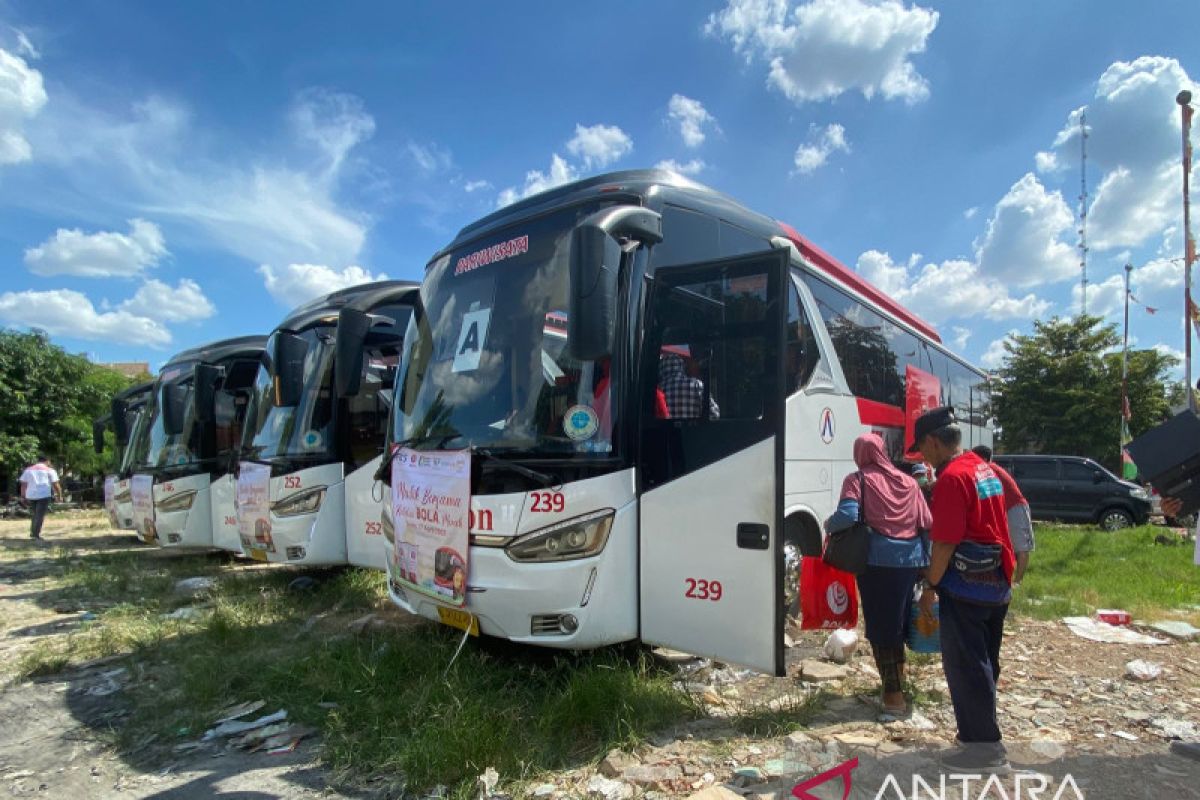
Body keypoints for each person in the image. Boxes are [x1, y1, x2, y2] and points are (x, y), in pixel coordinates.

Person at [910, 407, 1014, 772]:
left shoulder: (953, 478)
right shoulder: (984, 469)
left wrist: (930, 585)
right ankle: (980, 735)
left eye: (922, 448)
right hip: (997, 583)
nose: (922, 456)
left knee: (967, 666)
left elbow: (944, 543)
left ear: (934, 441)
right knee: (984, 663)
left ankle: (984, 750)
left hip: (967, 588)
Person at [825, 433, 932, 715]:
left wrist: (828, 524)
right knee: (896, 623)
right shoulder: (909, 481)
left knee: (882, 629)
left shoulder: (857, 479)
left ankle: (893, 697)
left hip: (877, 563)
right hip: (910, 561)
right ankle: (897, 683)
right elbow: (926, 523)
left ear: (860, 453)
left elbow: (847, 516)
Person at [973, 445, 1035, 585]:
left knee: (1021, 546)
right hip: (1004, 509)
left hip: (1015, 507)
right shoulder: (987, 469)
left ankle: (1018, 582)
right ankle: (1009, 578)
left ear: (982, 458)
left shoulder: (989, 468)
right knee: (1009, 546)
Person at [659, 350, 719, 420]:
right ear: (681, 366)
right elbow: (715, 414)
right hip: (695, 430)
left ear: (662, 368)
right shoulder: (697, 385)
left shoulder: (658, 390)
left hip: (667, 431)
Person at [19, 455, 63, 541]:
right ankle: (35, 535)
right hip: (43, 495)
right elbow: (56, 484)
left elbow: (23, 485)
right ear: (47, 461)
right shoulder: (50, 470)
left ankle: (33, 533)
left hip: (31, 495)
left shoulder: (28, 470)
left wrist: (23, 496)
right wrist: (59, 495)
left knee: (34, 514)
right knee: (39, 515)